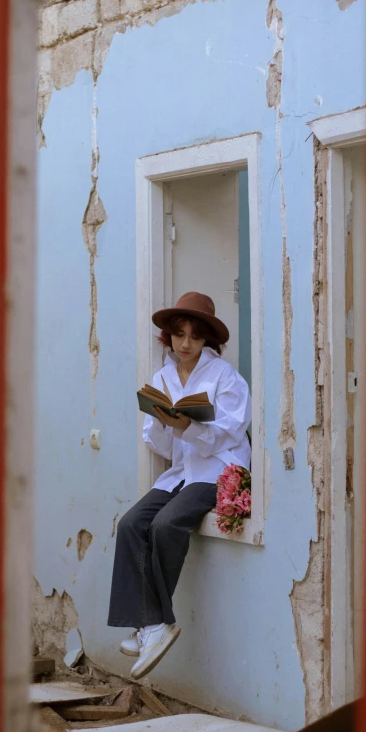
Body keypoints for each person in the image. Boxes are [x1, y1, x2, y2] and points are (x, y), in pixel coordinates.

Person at [108, 291, 252, 679]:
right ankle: (151, 624)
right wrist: (162, 420)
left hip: (219, 470)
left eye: (194, 336)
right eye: (179, 335)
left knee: (166, 524)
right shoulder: (163, 378)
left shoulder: (226, 377)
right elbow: (161, 444)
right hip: (183, 472)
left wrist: (187, 425)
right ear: (168, 337)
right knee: (130, 524)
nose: (185, 344)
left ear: (207, 340)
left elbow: (229, 432)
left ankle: (153, 625)